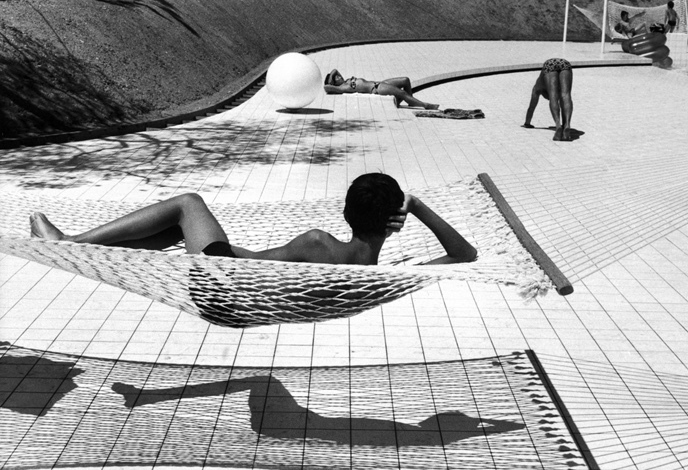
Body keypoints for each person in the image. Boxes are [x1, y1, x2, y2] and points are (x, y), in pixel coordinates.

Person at [29, 173, 476, 266]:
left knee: (187, 204)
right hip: (240, 291)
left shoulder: (319, 244)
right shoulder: (379, 275)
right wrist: (416, 206)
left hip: (224, 287)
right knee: (168, 235)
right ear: (393, 221)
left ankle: (69, 244)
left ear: (346, 213)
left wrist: (209, 248)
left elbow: (251, 266)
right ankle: (85, 253)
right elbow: (464, 254)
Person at [324, 69, 439, 110]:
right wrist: (330, 81)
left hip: (379, 83)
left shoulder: (346, 81)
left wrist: (332, 75)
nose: (339, 76)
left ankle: (411, 101)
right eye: (336, 78)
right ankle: (425, 105)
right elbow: (326, 87)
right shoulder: (342, 88)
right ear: (334, 83)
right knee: (402, 93)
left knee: (405, 80)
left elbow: (334, 70)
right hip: (376, 88)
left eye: (338, 76)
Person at [521, 58, 574, 142]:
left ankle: (558, 126)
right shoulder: (556, 89)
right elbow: (563, 100)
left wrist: (527, 123)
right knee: (566, 95)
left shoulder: (536, 89)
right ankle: (566, 125)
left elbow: (531, 107)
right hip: (565, 64)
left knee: (553, 96)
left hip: (549, 65)